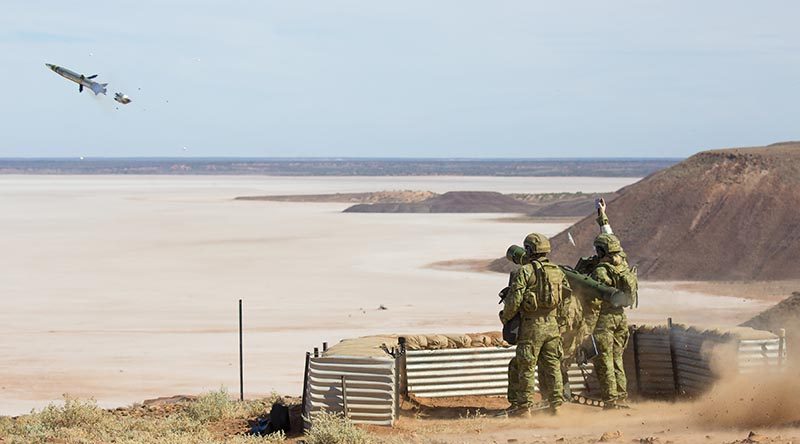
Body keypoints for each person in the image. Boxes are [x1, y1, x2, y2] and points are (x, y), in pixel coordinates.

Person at [500, 233, 571, 415]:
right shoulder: (557, 271)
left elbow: (515, 299)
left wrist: (506, 317)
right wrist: (560, 322)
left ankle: (524, 408)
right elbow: (566, 300)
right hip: (553, 326)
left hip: (532, 327)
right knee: (553, 365)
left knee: (526, 366)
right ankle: (557, 406)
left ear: (530, 250)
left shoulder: (525, 271)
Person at [587, 200, 637, 408]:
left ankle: (610, 400)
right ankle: (621, 395)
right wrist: (602, 216)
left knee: (604, 360)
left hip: (604, 321)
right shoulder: (622, 264)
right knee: (617, 359)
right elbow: (610, 239)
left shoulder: (600, 271)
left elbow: (593, 301)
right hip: (620, 318)